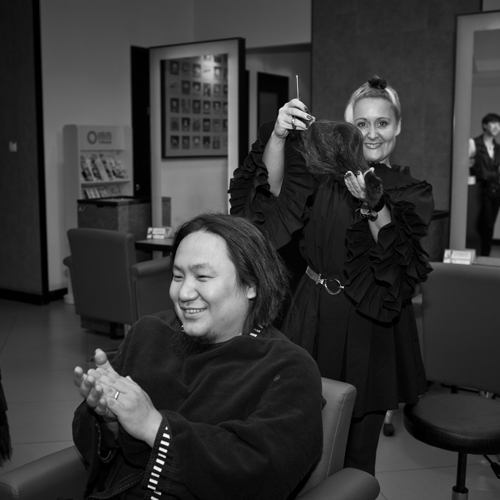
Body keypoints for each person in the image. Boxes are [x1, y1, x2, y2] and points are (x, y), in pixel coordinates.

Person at [229, 76, 434, 475]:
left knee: (357, 454)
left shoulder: (410, 190)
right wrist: (277, 134)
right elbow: (268, 195)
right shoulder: (320, 177)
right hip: (311, 313)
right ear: (347, 128)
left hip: (369, 327)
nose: (372, 134)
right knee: (298, 437)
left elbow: (399, 264)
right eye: (361, 124)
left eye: (382, 123)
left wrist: (373, 205)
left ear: (398, 127)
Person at [72, 213, 323, 499]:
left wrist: (153, 426)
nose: (184, 292)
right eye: (178, 276)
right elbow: (93, 446)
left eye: (202, 277)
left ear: (251, 284)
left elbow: (263, 470)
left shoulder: (287, 368)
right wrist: (110, 421)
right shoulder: (149, 333)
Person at [468, 113, 500, 256]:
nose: (496, 127)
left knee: (490, 224)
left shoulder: (498, 148)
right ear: (485, 125)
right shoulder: (474, 143)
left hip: (497, 190)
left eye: (498, 124)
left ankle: (485, 255)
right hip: (480, 189)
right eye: (492, 123)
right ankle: (482, 253)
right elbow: (466, 164)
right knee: (482, 224)